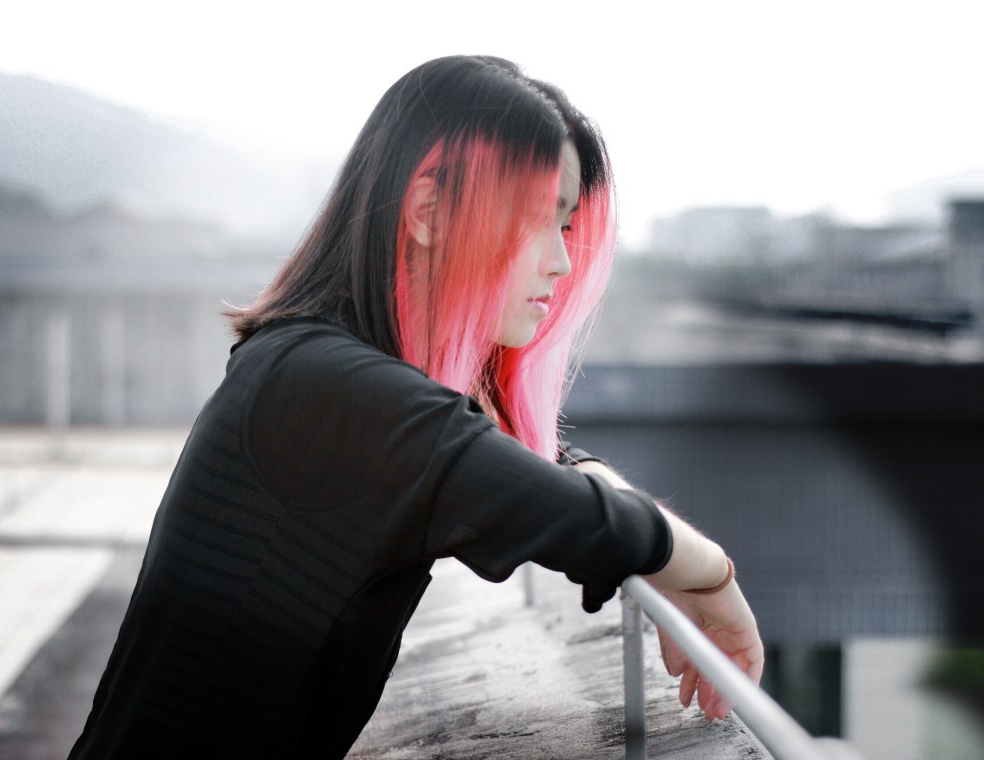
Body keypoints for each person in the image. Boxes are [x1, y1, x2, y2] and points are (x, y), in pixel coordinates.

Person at [68, 55, 763, 759]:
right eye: (538, 219)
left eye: (568, 226)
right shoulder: (324, 386)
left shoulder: (326, 369)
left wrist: (664, 556)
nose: (561, 260)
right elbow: (573, 515)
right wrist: (712, 575)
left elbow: (550, 469)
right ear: (429, 211)